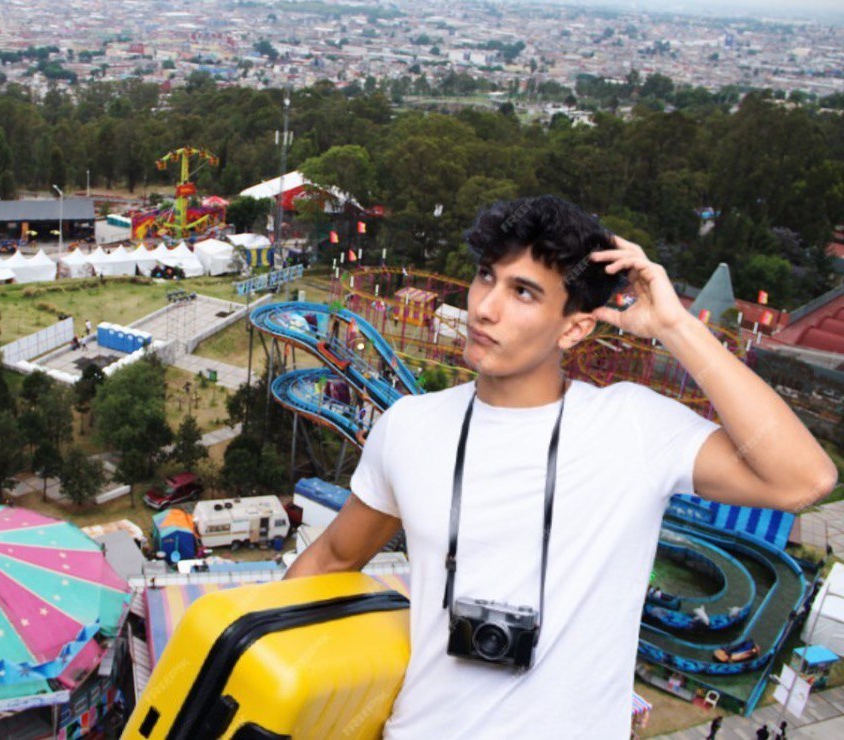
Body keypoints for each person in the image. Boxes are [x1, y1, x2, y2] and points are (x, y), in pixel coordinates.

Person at [282, 195, 837, 738]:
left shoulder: (632, 427)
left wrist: (676, 326)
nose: (484, 307)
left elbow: (802, 479)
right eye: (485, 276)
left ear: (574, 328)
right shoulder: (408, 425)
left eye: (522, 292)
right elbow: (332, 558)